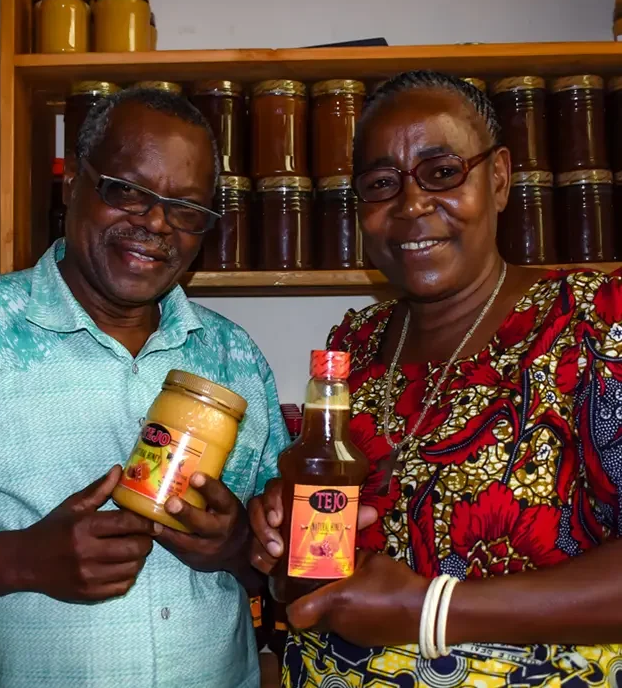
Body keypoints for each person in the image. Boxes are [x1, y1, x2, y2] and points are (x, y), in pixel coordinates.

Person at [250, 70, 622, 687]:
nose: (412, 204)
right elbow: (327, 550)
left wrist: (429, 609)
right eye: (381, 184)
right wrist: (287, 529)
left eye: (443, 172)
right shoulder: (356, 344)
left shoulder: (593, 322)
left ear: (498, 178)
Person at [0, 88, 288, 688]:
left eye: (186, 207)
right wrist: (24, 561)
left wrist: (234, 545)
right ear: (72, 185)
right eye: (127, 190)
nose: (155, 223)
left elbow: (278, 561)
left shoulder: (234, 356)